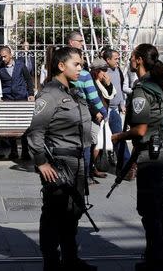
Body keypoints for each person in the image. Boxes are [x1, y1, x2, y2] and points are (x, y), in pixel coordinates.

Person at [27, 46, 96, 271]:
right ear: (60, 66)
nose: (80, 68)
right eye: (76, 64)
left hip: (77, 160)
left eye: (81, 64)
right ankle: (51, 262)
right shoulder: (50, 94)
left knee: (73, 212)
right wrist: (41, 162)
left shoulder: (73, 91)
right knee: (53, 214)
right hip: (59, 161)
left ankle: (70, 259)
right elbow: (36, 131)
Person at [112, 44, 163, 271]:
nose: (129, 60)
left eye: (132, 57)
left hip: (150, 154)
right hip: (162, 150)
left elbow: (139, 130)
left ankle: (155, 260)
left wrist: (119, 136)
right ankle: (162, 255)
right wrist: (160, 127)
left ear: (139, 60)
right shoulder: (157, 85)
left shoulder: (142, 90)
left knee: (150, 209)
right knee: (161, 205)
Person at [67, 31, 107, 185]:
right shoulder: (83, 75)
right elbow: (93, 97)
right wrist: (103, 111)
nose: (81, 64)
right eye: (78, 61)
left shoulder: (61, 73)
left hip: (66, 115)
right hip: (83, 115)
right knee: (86, 146)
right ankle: (84, 176)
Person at [0, 46, 34, 160]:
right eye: (1, 57)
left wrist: (31, 94)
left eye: (5, 56)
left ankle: (25, 150)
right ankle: (13, 150)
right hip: (8, 98)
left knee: (24, 124)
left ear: (10, 55)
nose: (3, 59)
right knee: (10, 124)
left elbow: (28, 79)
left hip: (21, 97)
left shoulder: (20, 65)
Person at [102, 49, 131, 168]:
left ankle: (126, 165)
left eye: (118, 58)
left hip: (115, 110)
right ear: (108, 60)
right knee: (100, 141)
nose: (118, 61)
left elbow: (119, 89)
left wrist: (122, 104)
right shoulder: (102, 72)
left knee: (119, 137)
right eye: (116, 58)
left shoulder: (117, 70)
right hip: (105, 110)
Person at [89, 58, 116, 179]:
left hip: (103, 116)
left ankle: (93, 168)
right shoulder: (91, 82)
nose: (105, 73)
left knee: (99, 142)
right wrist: (95, 112)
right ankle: (91, 169)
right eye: (103, 70)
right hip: (94, 116)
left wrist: (109, 84)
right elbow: (89, 99)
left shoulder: (103, 82)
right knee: (95, 143)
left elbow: (110, 95)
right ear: (96, 71)